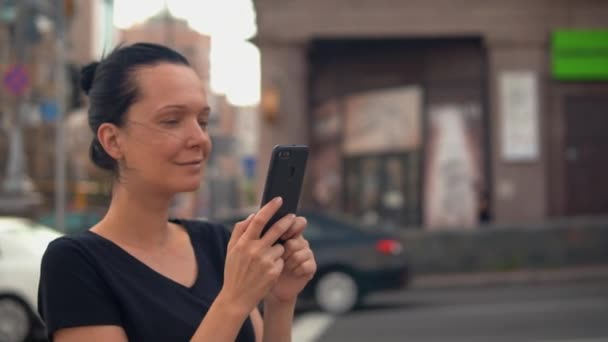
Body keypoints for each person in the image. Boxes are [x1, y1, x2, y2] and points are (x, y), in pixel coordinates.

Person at [37, 42, 317, 342]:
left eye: (203, 121)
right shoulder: (75, 264)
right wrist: (233, 300)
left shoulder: (218, 244)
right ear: (113, 140)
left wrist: (279, 301)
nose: (200, 138)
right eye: (172, 120)